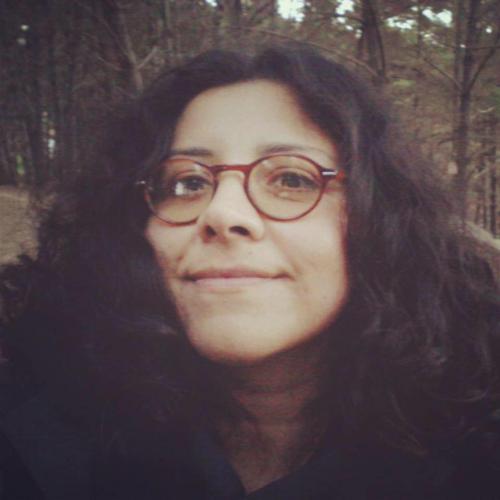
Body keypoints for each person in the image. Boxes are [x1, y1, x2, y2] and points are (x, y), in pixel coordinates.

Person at [0, 43, 499, 499]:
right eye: (186, 183)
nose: (222, 213)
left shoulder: (477, 449)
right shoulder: (32, 430)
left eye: (291, 178)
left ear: (380, 217)